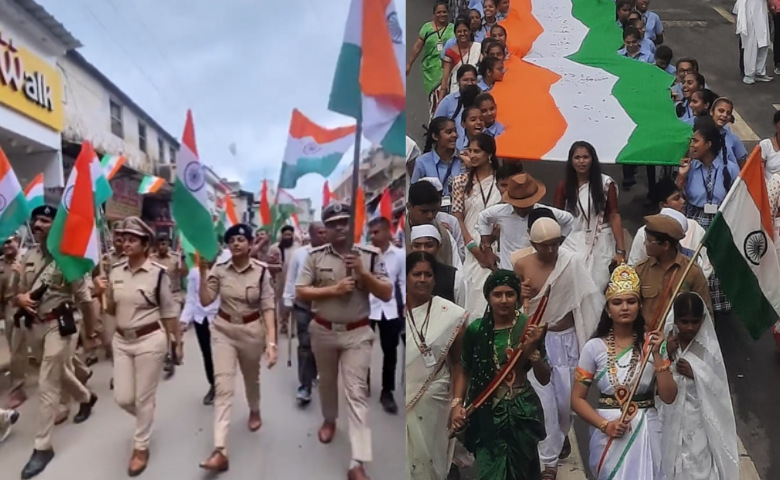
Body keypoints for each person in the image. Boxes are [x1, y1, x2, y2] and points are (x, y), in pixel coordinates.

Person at [295, 202, 393, 480]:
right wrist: (333, 289)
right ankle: (329, 419)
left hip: (357, 333)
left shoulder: (370, 256)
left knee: (356, 392)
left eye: (345, 221)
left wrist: (362, 274)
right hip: (323, 330)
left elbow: (386, 293)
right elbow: (301, 291)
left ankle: (358, 459)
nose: (340, 226)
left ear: (354, 224)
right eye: (334, 222)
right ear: (324, 229)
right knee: (326, 383)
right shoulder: (314, 257)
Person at [514, 217, 602, 477]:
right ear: (533, 244)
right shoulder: (521, 265)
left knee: (566, 405)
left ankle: (560, 437)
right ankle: (548, 461)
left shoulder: (571, 262)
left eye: (555, 244)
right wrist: (522, 295)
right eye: (545, 246)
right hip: (539, 343)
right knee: (545, 404)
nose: (551, 250)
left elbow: (586, 300)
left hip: (567, 340)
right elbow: (517, 306)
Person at [572, 264, 677, 480]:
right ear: (608, 309)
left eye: (631, 301)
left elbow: (668, 396)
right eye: (617, 302)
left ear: (639, 306)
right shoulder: (594, 347)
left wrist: (657, 354)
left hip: (646, 427)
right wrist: (605, 426)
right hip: (609, 432)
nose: (624, 308)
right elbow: (577, 399)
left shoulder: (653, 343)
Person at [18, 205, 100, 479]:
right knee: (58, 372)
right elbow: (20, 291)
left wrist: (90, 334)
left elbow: (86, 300)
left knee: (47, 383)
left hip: (58, 325)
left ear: (56, 225)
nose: (38, 224)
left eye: (45, 220)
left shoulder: (68, 258)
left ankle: (42, 447)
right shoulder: (28, 254)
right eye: (35, 220)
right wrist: (20, 299)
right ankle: (86, 397)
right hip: (34, 327)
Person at [451, 270, 551, 479]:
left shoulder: (529, 327)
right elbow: (463, 368)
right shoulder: (476, 330)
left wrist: (534, 354)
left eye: (509, 294)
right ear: (488, 297)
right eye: (497, 294)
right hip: (487, 412)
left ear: (517, 296)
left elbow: (544, 377)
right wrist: (457, 404)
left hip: (521, 410)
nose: (504, 300)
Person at [104, 217, 181, 476]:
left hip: (150, 340)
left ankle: (141, 446)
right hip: (122, 341)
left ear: (145, 244)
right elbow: (111, 308)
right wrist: (99, 291)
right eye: (123, 239)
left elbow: (169, 312)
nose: (125, 243)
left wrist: (176, 343)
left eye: (132, 239)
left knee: (143, 397)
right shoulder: (115, 271)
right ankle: (146, 415)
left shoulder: (158, 274)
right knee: (123, 397)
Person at [197, 224, 277, 472]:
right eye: (231, 240)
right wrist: (202, 272)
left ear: (251, 243)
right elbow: (206, 300)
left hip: (252, 332)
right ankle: (220, 450)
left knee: (251, 378)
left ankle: (254, 409)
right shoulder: (219, 271)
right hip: (223, 331)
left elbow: (267, 308)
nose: (236, 243)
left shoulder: (262, 272)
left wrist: (272, 342)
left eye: (241, 239)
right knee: (223, 388)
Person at [661, 292, 739, 480]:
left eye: (694, 322)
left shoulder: (707, 349)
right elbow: (653, 378)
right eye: (684, 321)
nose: (689, 327)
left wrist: (696, 374)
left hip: (698, 421)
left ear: (702, 320)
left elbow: (718, 387)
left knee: (699, 466)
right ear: (675, 320)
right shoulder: (667, 344)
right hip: (669, 418)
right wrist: (665, 353)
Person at [406, 251, 469, 480]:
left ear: (435, 279)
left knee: (430, 467)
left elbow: (460, 364)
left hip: (436, 403)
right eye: (416, 274)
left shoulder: (450, 315)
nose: (422, 279)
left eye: (428, 274)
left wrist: (456, 403)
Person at [678, 116, 740, 314]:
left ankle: (716, 311)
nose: (692, 145)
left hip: (719, 222)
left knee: (717, 268)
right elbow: (676, 198)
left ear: (709, 144)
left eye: (696, 141)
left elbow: (736, 199)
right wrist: (681, 176)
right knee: (694, 267)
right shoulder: (689, 167)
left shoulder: (729, 168)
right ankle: (693, 307)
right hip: (694, 221)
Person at [555, 141, 626, 293]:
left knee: (598, 284)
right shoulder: (564, 186)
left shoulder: (605, 184)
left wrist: (621, 250)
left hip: (601, 239)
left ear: (592, 159)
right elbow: (557, 216)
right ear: (571, 161)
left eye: (585, 157)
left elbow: (614, 215)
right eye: (577, 158)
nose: (581, 161)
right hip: (573, 240)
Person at [478, 172, 574, 270]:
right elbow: (483, 217)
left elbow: (569, 220)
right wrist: (487, 248)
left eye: (526, 205)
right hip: (508, 270)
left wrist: (557, 241)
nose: (521, 209)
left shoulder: (545, 212)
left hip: (534, 272)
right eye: (518, 205)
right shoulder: (501, 211)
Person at [452, 134, 502, 320]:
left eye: (477, 151)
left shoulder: (501, 181)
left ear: (489, 154)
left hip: (498, 244)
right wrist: (474, 248)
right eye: (470, 151)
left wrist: (491, 243)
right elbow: (458, 218)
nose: (472, 155)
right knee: (474, 297)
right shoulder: (461, 181)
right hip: (471, 245)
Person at [634, 214, 713, 327]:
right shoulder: (640, 270)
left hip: (679, 341)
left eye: (649, 241)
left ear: (666, 245)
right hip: (648, 340)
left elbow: (706, 312)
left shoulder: (692, 271)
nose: (645, 244)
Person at [628, 178, 713, 278]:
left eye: (682, 197)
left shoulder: (695, 228)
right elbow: (633, 267)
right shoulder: (643, 232)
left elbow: (707, 266)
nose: (683, 201)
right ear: (663, 205)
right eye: (676, 198)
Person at [284, 222, 327, 405]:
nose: (324, 235)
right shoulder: (299, 254)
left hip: (326, 306)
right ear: (311, 234)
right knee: (304, 344)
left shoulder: (334, 253)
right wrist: (288, 299)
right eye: (320, 232)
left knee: (321, 345)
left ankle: (317, 371)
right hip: (303, 305)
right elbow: (291, 278)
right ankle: (304, 386)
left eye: (326, 232)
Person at [367, 217, 405, 414]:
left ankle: (387, 391)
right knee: (361, 348)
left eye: (376, 232)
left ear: (388, 232)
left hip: (390, 309)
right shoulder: (364, 254)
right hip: (367, 308)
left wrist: (405, 305)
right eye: (370, 233)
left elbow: (403, 282)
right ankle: (362, 380)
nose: (372, 236)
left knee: (390, 352)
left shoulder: (399, 255)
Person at [181, 256, 219, 405]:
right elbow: (191, 298)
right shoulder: (195, 273)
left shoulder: (224, 270)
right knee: (207, 355)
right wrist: (184, 320)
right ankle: (213, 384)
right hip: (200, 319)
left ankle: (224, 386)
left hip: (220, 318)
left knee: (223, 354)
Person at [407, 1, 455, 118]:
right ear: (434, 14)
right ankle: (436, 121)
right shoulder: (427, 28)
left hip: (449, 68)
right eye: (439, 12)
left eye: (444, 12)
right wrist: (409, 64)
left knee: (446, 96)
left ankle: (443, 120)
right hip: (431, 70)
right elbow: (418, 46)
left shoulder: (453, 28)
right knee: (434, 97)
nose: (442, 14)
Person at [150, 232, 185, 379]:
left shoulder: (176, 258)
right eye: (159, 243)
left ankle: (174, 351)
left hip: (174, 296)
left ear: (168, 244)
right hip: (157, 298)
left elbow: (184, 273)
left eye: (164, 243)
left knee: (172, 324)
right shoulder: (151, 259)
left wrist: (183, 260)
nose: (162, 246)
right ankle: (169, 354)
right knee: (161, 329)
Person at [410, 225, 467, 307]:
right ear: (411, 248)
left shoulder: (454, 277)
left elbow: (461, 311)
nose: (423, 250)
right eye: (417, 246)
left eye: (429, 246)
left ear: (439, 247)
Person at [406, 180, 458, 266]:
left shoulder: (444, 234)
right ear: (409, 207)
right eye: (424, 211)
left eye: (434, 211)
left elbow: (455, 269)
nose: (430, 216)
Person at [412, 117, 465, 198]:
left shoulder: (464, 159)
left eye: (455, 131)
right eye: (449, 132)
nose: (455, 135)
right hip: (432, 208)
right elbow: (414, 192)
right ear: (435, 136)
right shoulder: (422, 162)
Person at [3, 234, 26, 409]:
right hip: (13, 309)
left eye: (10, 241)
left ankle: (78, 373)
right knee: (16, 350)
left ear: (17, 241)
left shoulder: (29, 257)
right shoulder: (1, 265)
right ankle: (18, 389)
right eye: (3, 242)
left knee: (47, 348)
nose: (7, 245)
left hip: (35, 304)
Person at [269, 225, 301, 337]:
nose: (287, 237)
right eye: (285, 235)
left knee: (294, 304)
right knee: (282, 304)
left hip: (295, 279)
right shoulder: (275, 248)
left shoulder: (298, 248)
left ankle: (293, 328)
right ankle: (283, 323)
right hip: (280, 279)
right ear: (282, 235)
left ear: (293, 235)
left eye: (289, 234)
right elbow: (270, 263)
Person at [440, 17, 482, 99]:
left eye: (465, 31)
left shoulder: (478, 48)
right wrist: (441, 99)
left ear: (470, 32)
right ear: (455, 34)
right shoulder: (450, 52)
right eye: (459, 31)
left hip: (476, 89)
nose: (462, 33)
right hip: (456, 91)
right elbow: (445, 78)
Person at [734, 0, 773, 85]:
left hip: (760, 12)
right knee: (751, 46)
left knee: (764, 44)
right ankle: (749, 73)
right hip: (750, 15)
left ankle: (760, 72)